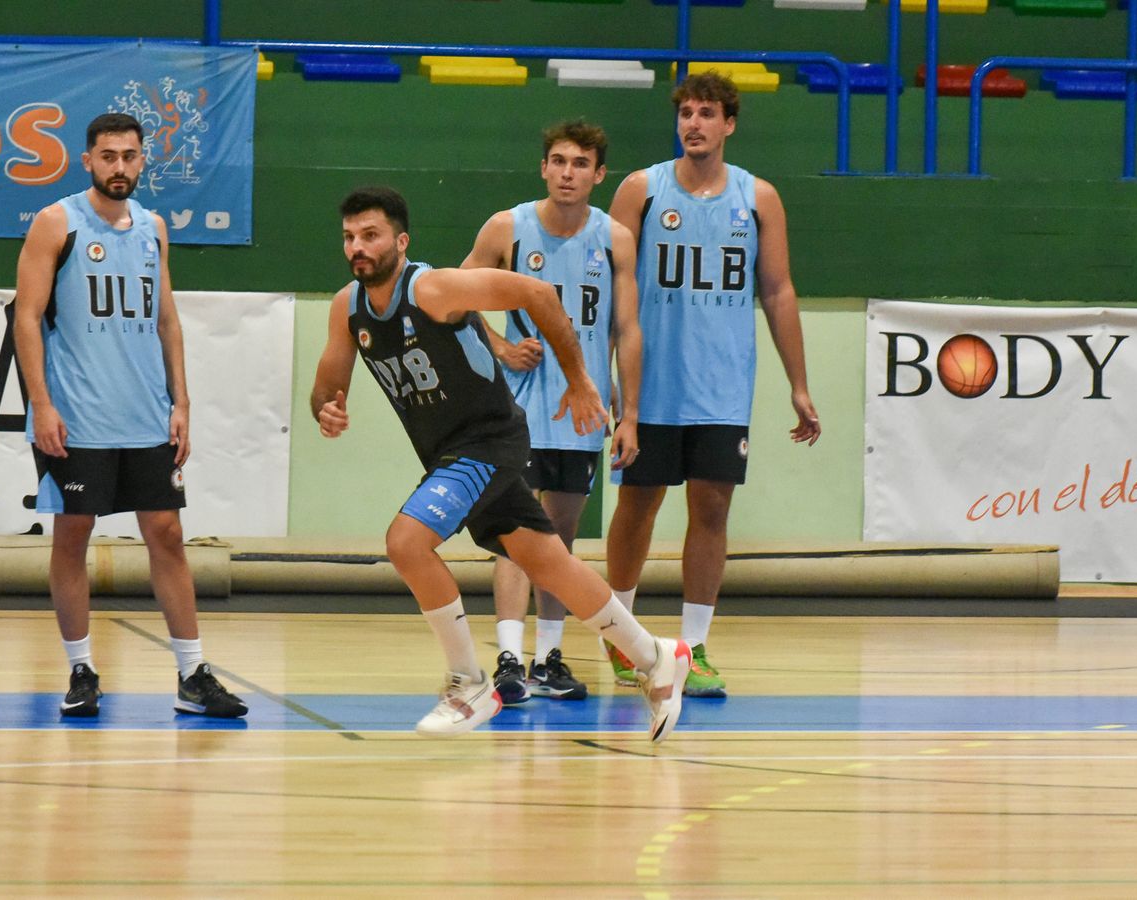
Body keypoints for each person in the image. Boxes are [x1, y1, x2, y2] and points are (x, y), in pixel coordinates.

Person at [311, 186, 689, 740]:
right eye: (349, 237)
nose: (358, 248)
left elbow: (536, 293)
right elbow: (327, 386)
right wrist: (326, 409)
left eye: (370, 235)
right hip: (449, 452)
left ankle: (469, 685)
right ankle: (657, 656)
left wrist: (581, 380)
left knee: (406, 541)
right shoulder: (348, 307)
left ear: (400, 240)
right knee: (552, 565)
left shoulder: (435, 288)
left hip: (488, 439)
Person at [12, 111, 246, 720]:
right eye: (108, 156)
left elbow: (166, 319)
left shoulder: (154, 228)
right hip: (79, 418)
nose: (120, 166)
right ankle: (81, 669)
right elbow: (27, 318)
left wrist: (182, 402)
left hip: (146, 416)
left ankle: (193, 674)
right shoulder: (56, 223)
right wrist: (42, 404)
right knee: (73, 535)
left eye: (130, 156)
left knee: (167, 536)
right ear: (87, 160)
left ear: (143, 160)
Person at [604, 72, 821, 697]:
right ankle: (622, 635)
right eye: (686, 114)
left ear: (729, 124)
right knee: (638, 504)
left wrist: (798, 384)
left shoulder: (759, 199)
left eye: (707, 114)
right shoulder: (641, 190)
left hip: (724, 384)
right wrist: (607, 380)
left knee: (713, 508)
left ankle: (693, 648)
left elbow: (777, 291)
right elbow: (612, 290)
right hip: (651, 385)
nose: (693, 123)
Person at [460, 120, 642, 706]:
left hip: (580, 407)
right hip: (514, 407)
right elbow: (448, 299)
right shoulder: (507, 227)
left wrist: (628, 407)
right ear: (543, 168)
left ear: (598, 174)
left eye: (580, 163)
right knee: (519, 533)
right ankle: (510, 658)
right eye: (558, 161)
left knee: (560, 537)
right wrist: (501, 346)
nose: (568, 172)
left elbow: (627, 327)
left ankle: (548, 658)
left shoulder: (614, 237)